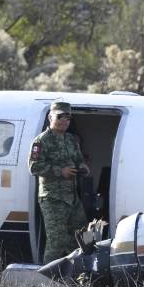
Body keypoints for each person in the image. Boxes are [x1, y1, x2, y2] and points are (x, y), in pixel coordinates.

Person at [29, 101, 89, 263]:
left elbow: (78, 159)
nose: (64, 121)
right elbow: (34, 167)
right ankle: (47, 277)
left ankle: (80, 272)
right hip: (53, 199)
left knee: (85, 236)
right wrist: (60, 171)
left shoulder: (71, 140)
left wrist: (82, 167)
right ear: (50, 117)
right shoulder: (41, 141)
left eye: (68, 118)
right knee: (57, 242)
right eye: (60, 117)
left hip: (72, 198)